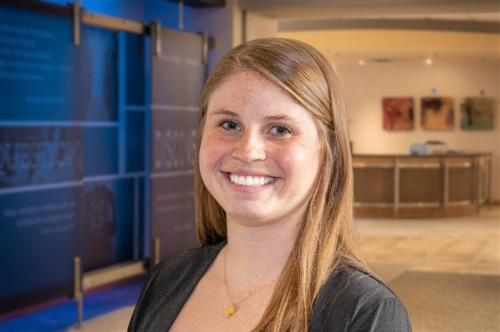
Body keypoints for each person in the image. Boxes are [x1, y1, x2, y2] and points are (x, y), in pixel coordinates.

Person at [128, 38, 411, 332]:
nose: (248, 151)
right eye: (229, 124)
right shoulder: (166, 279)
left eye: (280, 129)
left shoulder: (364, 312)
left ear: (329, 152)